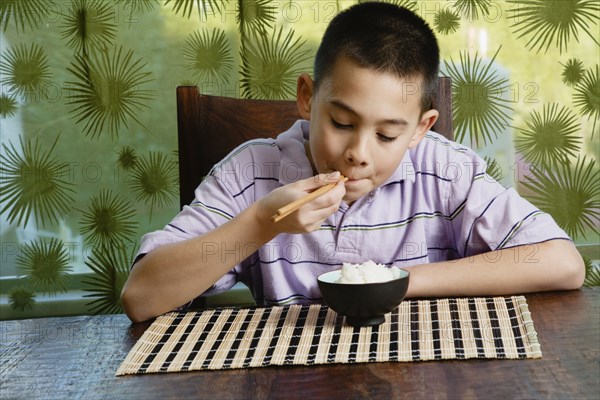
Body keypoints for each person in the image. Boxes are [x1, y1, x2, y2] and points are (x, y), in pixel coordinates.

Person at [121, 2, 584, 322]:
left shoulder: (445, 170)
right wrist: (262, 222)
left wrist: (395, 281)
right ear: (307, 98)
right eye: (341, 122)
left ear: (421, 129)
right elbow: (141, 297)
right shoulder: (251, 171)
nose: (359, 154)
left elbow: (562, 263)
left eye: (387, 134)